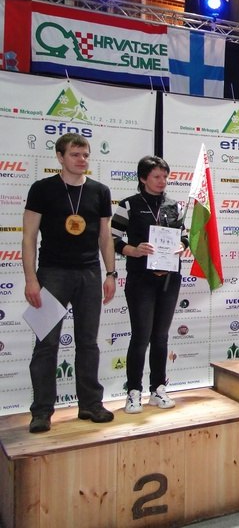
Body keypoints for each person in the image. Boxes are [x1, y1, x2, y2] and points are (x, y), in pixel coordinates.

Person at [22, 134, 116, 433]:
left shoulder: (100, 191)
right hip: (52, 274)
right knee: (46, 344)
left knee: (88, 343)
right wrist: (31, 279)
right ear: (60, 157)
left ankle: (90, 404)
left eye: (85, 154)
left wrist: (111, 273)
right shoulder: (42, 189)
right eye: (75, 154)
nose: (82, 160)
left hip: (89, 274)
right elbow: (29, 237)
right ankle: (41, 411)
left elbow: (105, 236)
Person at [111, 156, 188, 414]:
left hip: (169, 279)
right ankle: (133, 391)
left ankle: (158, 389)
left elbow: (185, 237)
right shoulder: (128, 205)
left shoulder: (174, 206)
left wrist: (182, 246)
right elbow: (112, 238)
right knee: (141, 336)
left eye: (165, 176)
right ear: (143, 178)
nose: (162, 181)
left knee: (161, 336)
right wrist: (133, 250)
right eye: (156, 176)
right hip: (140, 279)